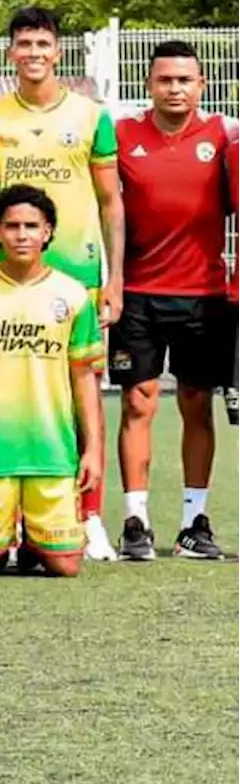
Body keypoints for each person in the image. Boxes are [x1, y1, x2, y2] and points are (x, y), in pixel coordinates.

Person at [0, 7, 125, 561]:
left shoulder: (90, 116)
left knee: (83, 393)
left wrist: (115, 280)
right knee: (8, 396)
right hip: (8, 283)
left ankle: (89, 517)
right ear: (10, 52)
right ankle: (10, 526)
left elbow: (111, 202)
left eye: (42, 43)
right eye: (23, 43)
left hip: (77, 279)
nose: (33, 52)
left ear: (58, 51)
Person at [111, 41, 238, 562]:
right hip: (138, 292)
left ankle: (193, 523)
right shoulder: (122, 135)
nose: (175, 87)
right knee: (138, 401)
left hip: (203, 294)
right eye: (165, 79)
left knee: (194, 404)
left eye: (185, 79)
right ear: (149, 84)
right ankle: (135, 521)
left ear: (201, 86)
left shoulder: (222, 139)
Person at [0, 185, 104, 578]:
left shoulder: (73, 295)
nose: (22, 235)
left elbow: (84, 377)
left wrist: (92, 449)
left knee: (65, 566)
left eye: (32, 226)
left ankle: (33, 537)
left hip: (51, 452)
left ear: (48, 232)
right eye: (11, 226)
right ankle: (1, 540)